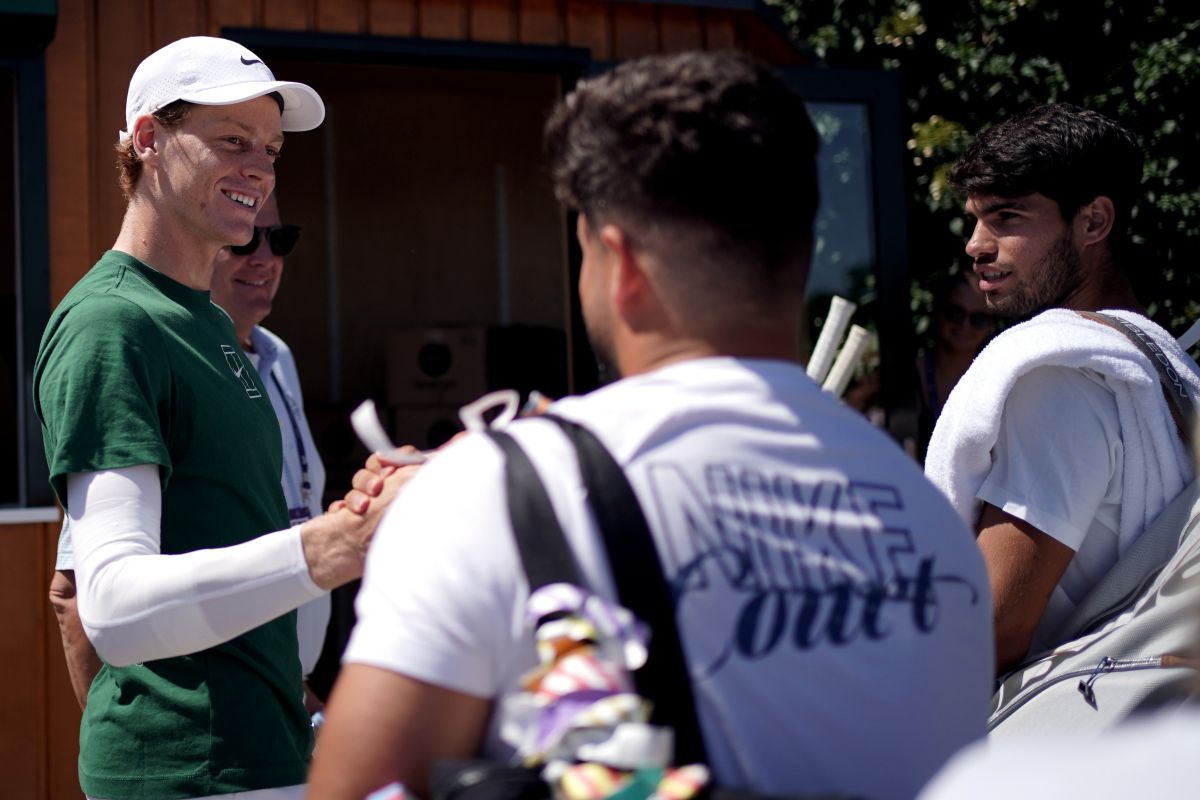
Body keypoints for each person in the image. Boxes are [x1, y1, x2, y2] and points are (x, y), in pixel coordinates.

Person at [308, 51, 994, 800]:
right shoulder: (931, 518)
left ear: (619, 262)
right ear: (796, 252)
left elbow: (351, 787)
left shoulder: (498, 495)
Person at [34, 36, 410, 800]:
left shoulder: (205, 320)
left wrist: (354, 511)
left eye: (270, 149)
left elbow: (224, 526)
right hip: (189, 773)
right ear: (147, 139)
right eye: (232, 141)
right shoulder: (113, 323)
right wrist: (336, 544)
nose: (260, 170)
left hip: (259, 753)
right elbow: (108, 603)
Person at [924, 103, 1200, 674]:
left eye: (1006, 217)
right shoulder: (1159, 365)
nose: (976, 243)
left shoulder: (1059, 377)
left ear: (1094, 221)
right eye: (975, 219)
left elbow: (991, 629)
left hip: (1047, 740)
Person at [48, 193, 333, 714]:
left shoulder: (276, 355)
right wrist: (127, 739)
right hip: (200, 732)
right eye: (245, 238)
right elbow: (75, 596)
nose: (264, 258)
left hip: (282, 705)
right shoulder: (142, 346)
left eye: (280, 239)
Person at [915, 272, 994, 458]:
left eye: (979, 319)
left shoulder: (995, 377)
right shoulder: (910, 375)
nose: (965, 325)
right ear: (937, 313)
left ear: (990, 325)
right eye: (956, 314)